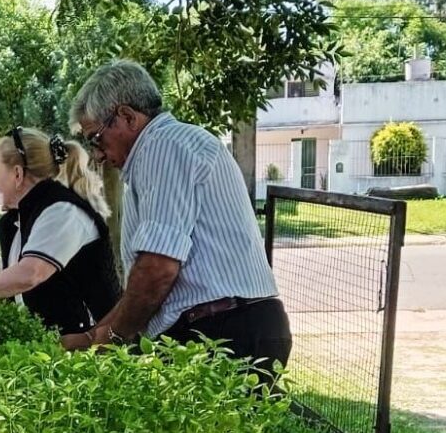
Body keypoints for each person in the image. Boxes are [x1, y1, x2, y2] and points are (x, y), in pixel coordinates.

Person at [63, 59, 292, 375]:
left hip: (222, 333)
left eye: (96, 138)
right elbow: (147, 276)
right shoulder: (164, 150)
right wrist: (94, 335)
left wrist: (108, 339)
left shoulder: (162, 146)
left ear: (127, 116)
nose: (98, 155)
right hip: (226, 328)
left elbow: (157, 268)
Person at [0, 127, 121, 335]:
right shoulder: (21, 219)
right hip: (56, 352)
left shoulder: (63, 212)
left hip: (96, 351)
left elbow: (29, 274)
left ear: (17, 174)